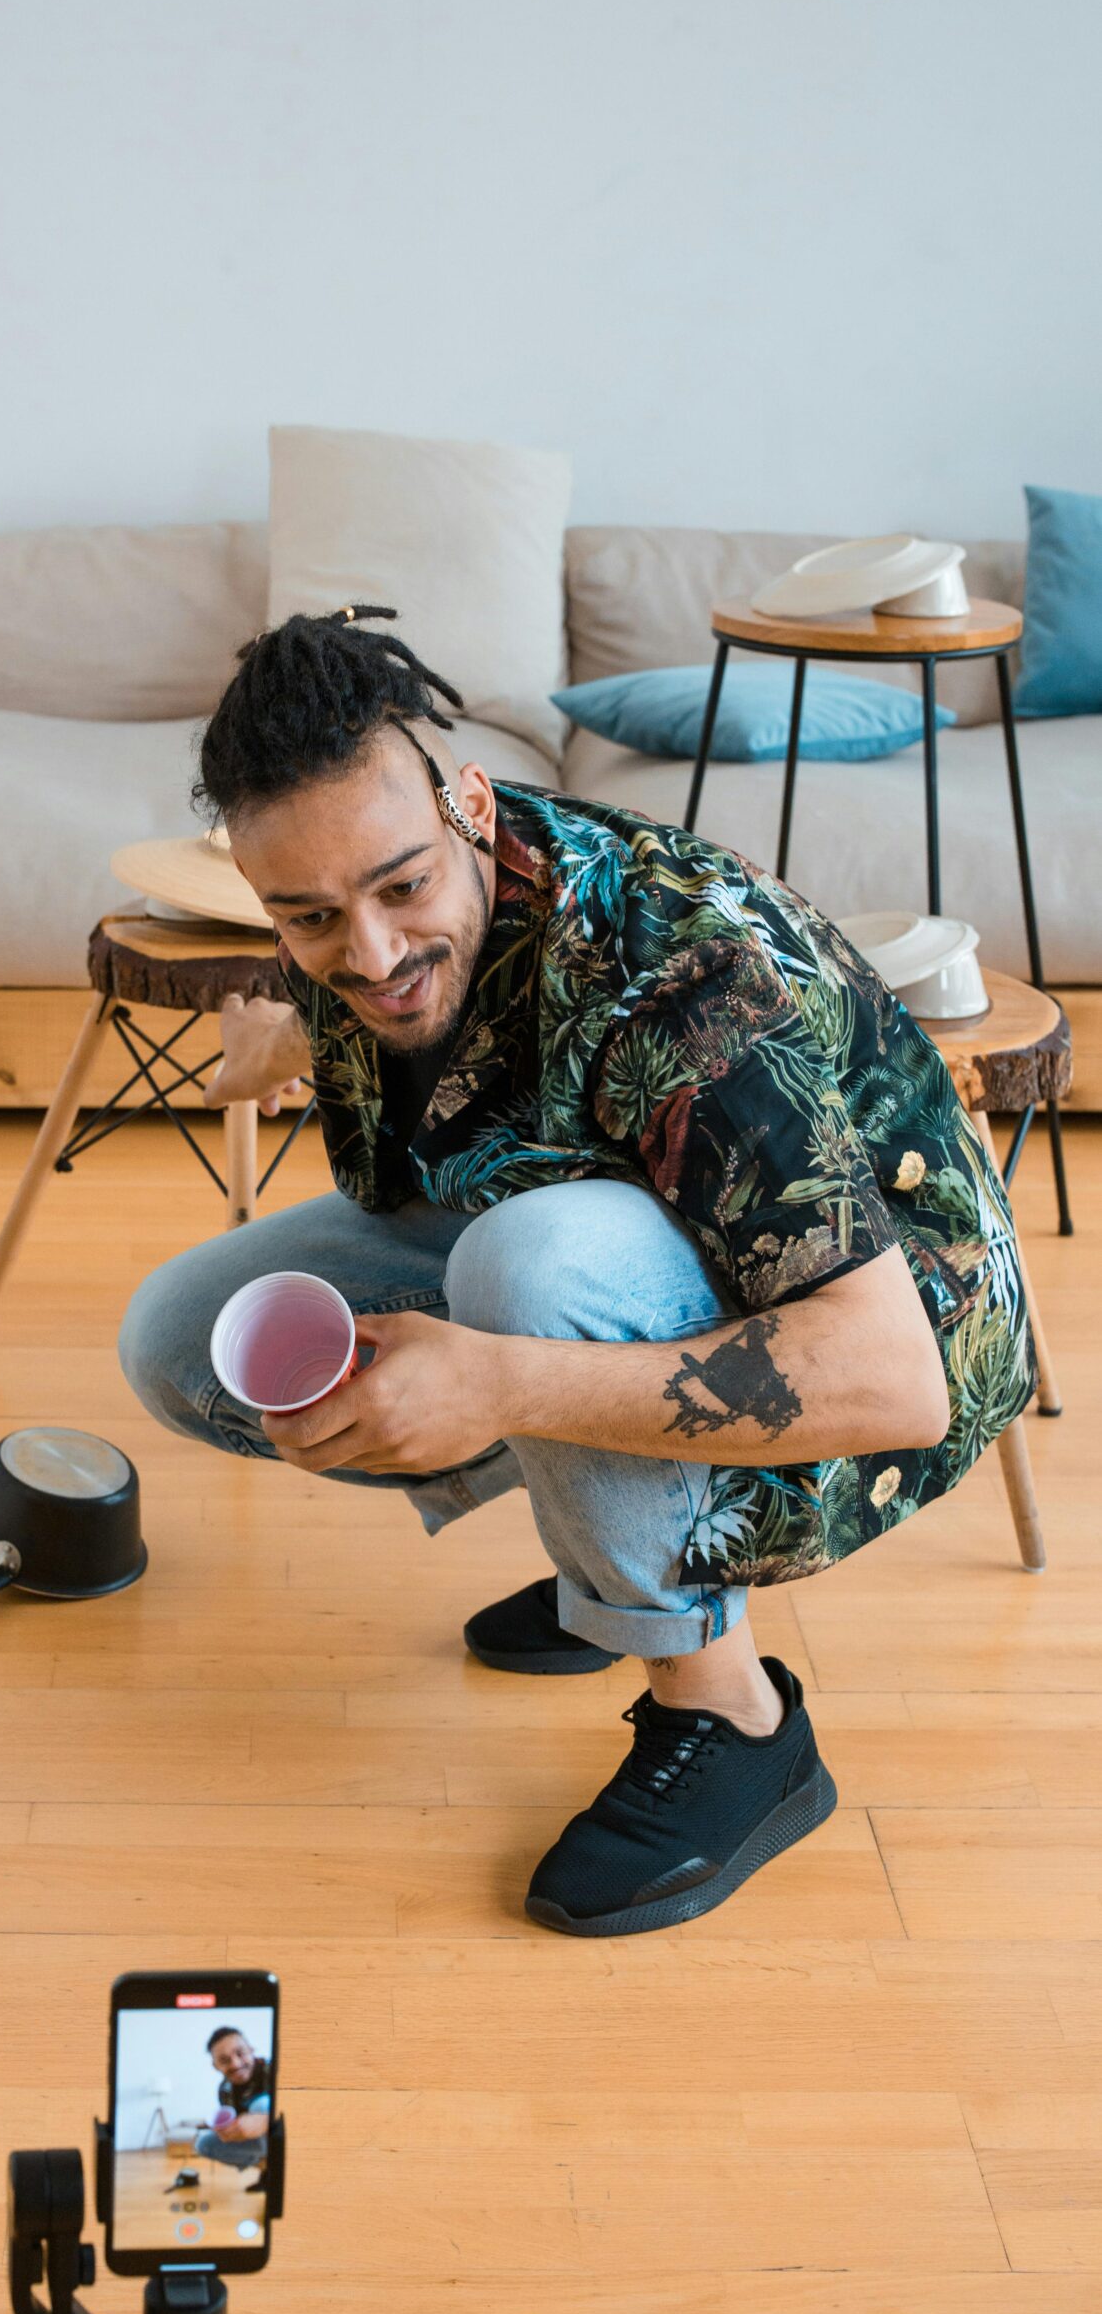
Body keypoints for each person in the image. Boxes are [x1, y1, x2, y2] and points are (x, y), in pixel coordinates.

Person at [119, 606, 1036, 1937]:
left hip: (902, 1331)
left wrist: (498, 1383)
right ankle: (608, 1551)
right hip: (625, 1246)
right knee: (176, 1337)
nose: (368, 954)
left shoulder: (676, 975)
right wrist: (289, 1037)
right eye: (308, 915)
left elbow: (893, 1384)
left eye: (398, 889)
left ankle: (732, 1718)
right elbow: (403, 1088)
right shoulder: (353, 911)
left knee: (523, 1269)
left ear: (471, 807)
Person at [166, 2024, 272, 2194]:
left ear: (251, 2050)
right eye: (224, 2060)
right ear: (215, 2066)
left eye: (240, 2053)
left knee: (260, 2105)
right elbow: (233, 2120)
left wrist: (267, 2120)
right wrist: (230, 2132)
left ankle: (280, 2167)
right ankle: (269, 2170)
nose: (235, 2064)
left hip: (287, 2138)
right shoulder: (224, 2090)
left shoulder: (275, 2070)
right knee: (203, 2144)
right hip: (259, 2145)